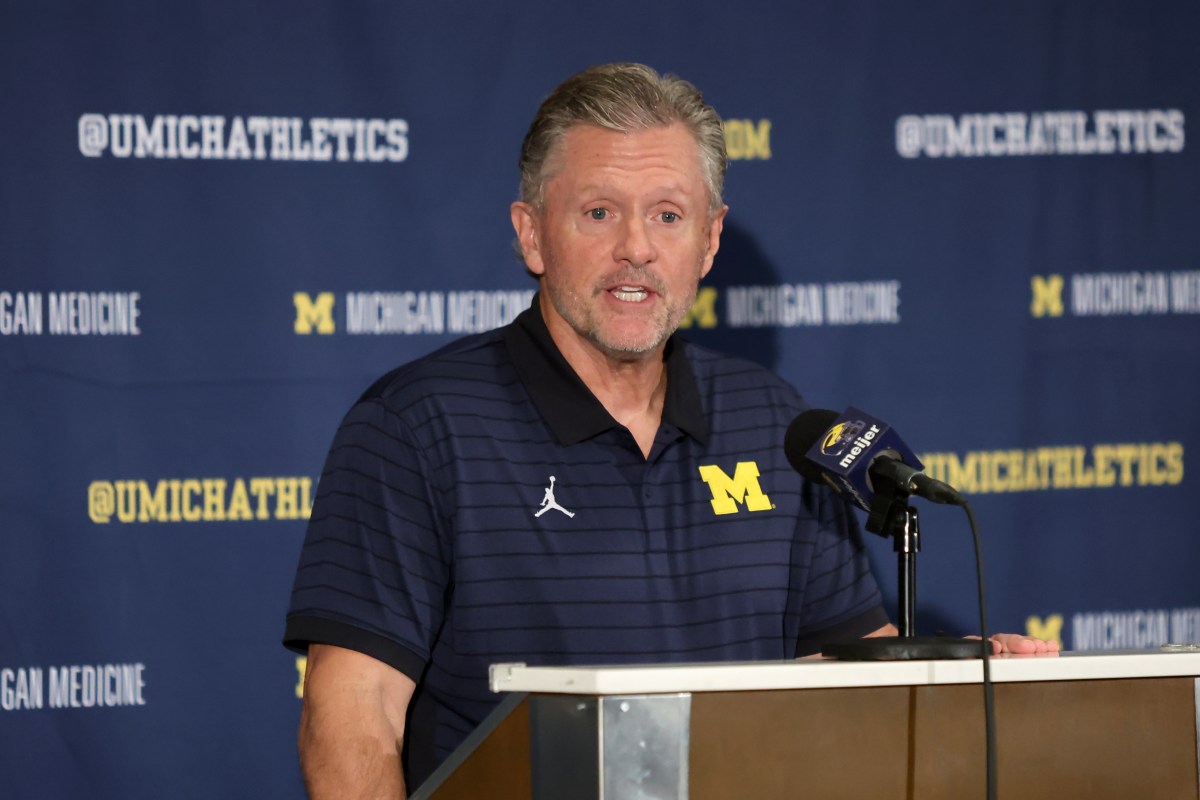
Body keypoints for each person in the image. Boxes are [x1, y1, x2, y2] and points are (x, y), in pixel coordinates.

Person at [283, 62, 1056, 798]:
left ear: (709, 241)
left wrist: (958, 674)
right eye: (598, 212)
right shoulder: (416, 427)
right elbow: (353, 715)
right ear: (532, 234)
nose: (636, 247)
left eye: (667, 215)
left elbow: (838, 671)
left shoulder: (775, 420)